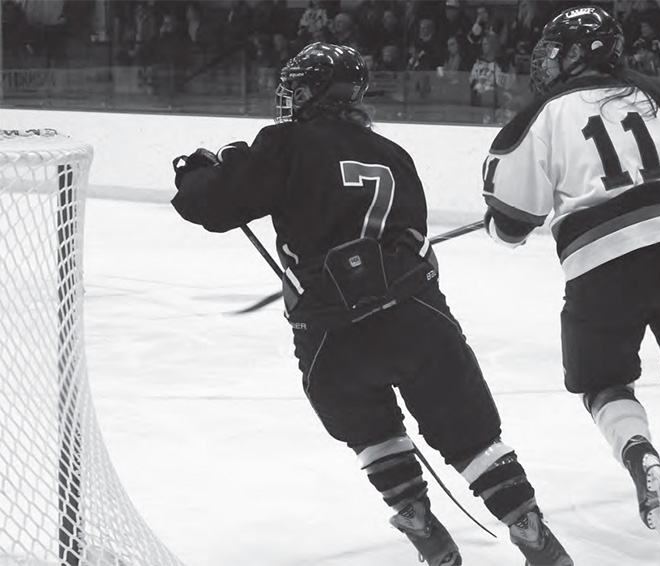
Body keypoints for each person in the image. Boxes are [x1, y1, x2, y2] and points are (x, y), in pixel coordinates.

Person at [170, 43, 573, 566]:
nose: (288, 96)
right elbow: (413, 238)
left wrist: (196, 170)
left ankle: (420, 523)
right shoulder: (393, 154)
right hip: (416, 317)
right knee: (471, 436)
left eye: (296, 87)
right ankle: (529, 527)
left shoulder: (284, 142)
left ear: (312, 91)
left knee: (372, 432)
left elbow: (214, 206)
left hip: (331, 334)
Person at [480, 5, 660, 541]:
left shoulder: (540, 115)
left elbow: (513, 222)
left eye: (554, 49)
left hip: (600, 264)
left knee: (602, 381)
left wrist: (498, 224)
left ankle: (641, 456)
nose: (546, 60)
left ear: (576, 53)